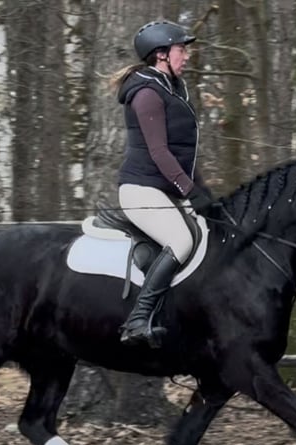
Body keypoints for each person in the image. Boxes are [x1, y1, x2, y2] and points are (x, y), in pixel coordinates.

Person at [112, 20, 214, 348]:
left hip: (165, 190)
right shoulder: (146, 92)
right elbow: (159, 152)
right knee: (182, 241)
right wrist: (190, 190)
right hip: (141, 190)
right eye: (181, 49)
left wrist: (202, 191)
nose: (187, 56)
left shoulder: (171, 89)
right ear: (160, 55)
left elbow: (185, 153)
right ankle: (137, 319)